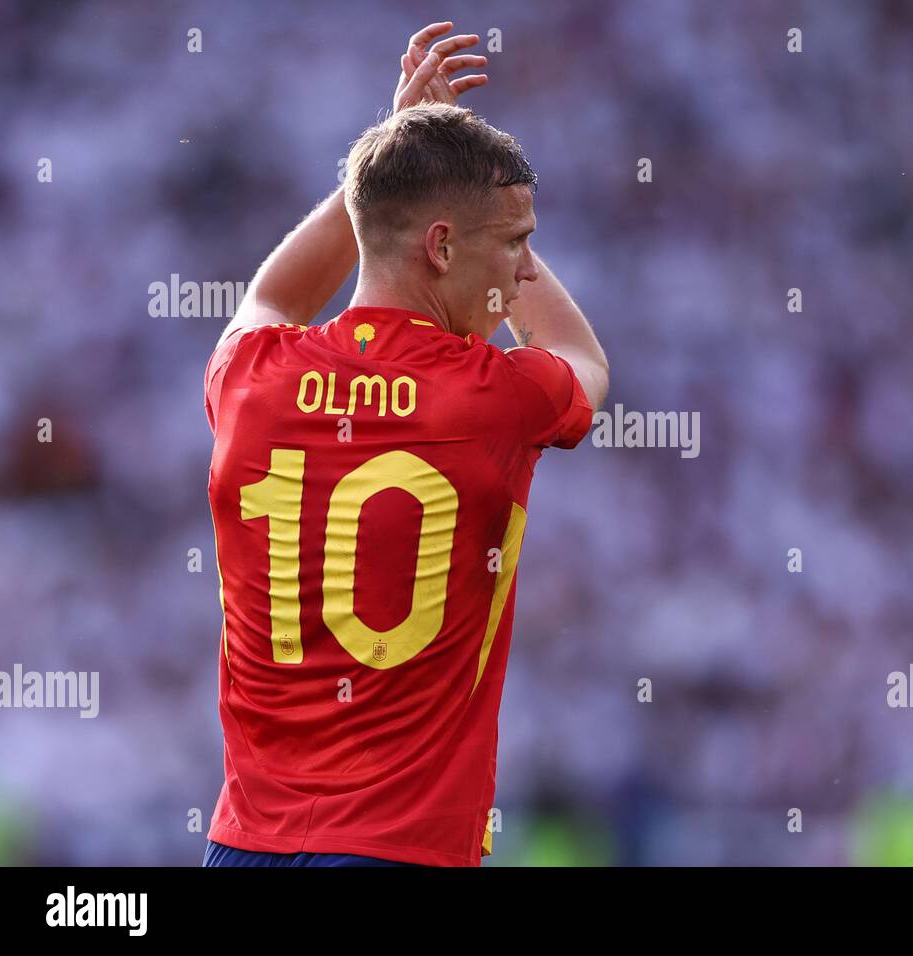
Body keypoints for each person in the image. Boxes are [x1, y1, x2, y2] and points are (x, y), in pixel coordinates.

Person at [200, 21, 609, 867]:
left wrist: (383, 171)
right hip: (402, 852)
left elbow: (271, 295)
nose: (526, 270)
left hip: (243, 848)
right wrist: (417, 186)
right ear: (442, 246)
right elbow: (581, 360)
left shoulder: (252, 376)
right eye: (517, 241)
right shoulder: (496, 398)